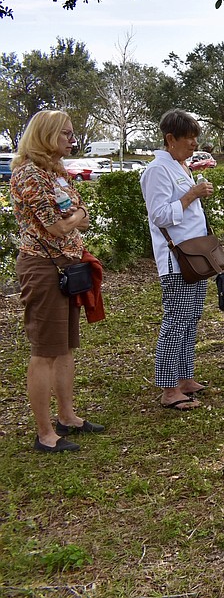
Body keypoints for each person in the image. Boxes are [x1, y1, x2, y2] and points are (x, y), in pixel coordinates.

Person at [10, 110, 102, 452]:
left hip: (68, 265)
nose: (71, 140)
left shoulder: (57, 173)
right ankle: (45, 434)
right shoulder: (30, 175)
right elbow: (57, 226)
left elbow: (84, 219)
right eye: (65, 134)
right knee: (45, 350)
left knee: (64, 346)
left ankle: (67, 417)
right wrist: (75, 217)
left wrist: (75, 217)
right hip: (43, 266)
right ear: (47, 136)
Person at [140, 110, 215, 411]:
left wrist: (193, 192)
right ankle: (169, 389)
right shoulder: (158, 170)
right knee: (176, 321)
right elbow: (158, 215)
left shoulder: (179, 166)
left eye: (196, 138)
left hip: (195, 254)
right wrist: (191, 195)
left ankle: (184, 378)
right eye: (189, 138)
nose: (194, 144)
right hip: (177, 259)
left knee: (191, 319)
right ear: (170, 139)